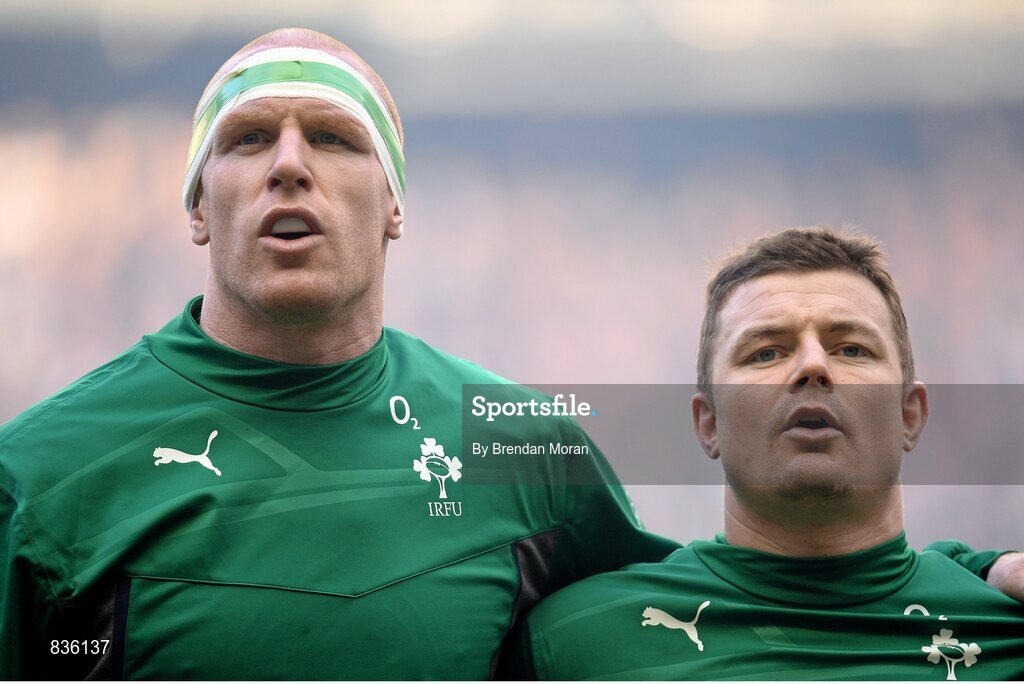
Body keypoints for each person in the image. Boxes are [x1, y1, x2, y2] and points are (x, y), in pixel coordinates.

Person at [0, 28, 684, 679]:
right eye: (248, 138)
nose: (289, 165)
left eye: (331, 137)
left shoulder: (528, 453)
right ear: (199, 208)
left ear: (394, 203)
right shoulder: (37, 477)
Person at [502, 227, 1024, 680]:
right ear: (709, 424)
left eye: (851, 348)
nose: (813, 366)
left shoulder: (1006, 633)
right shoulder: (572, 645)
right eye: (766, 352)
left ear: (910, 414)